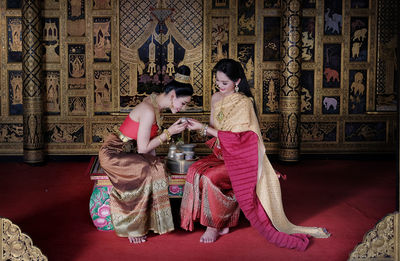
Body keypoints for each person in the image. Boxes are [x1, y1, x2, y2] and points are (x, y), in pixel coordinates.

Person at [180, 59, 330, 250]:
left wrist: (204, 129)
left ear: (238, 81)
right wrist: (199, 128)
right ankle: (224, 220)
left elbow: (242, 140)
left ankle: (213, 225)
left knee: (210, 177)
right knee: (195, 170)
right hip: (221, 153)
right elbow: (213, 129)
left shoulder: (244, 103)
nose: (220, 86)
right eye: (217, 81)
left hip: (241, 159)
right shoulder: (215, 98)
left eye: (224, 83)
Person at [99, 65, 193, 244]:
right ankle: (133, 228)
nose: (183, 107)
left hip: (130, 152)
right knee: (146, 170)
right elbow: (143, 149)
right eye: (183, 103)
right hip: (116, 153)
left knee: (157, 166)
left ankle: (151, 220)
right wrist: (169, 133)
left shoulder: (156, 105)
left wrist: (156, 162)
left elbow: (148, 147)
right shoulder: (149, 110)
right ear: (173, 96)